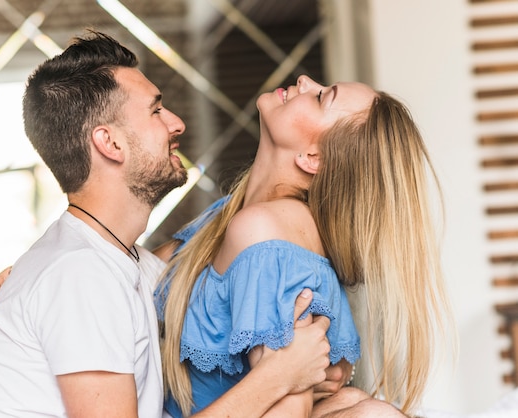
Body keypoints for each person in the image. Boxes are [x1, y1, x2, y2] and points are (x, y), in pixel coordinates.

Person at [0, 29, 334, 418]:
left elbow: (198, 280)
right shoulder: (81, 275)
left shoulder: (120, 264)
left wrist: (329, 380)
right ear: (110, 144)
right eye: (156, 110)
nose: (177, 124)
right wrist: (279, 377)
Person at [151, 75, 455, 417]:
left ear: (313, 157)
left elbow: (290, 407)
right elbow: (145, 269)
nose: (304, 80)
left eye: (321, 97)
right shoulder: (233, 216)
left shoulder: (267, 234)